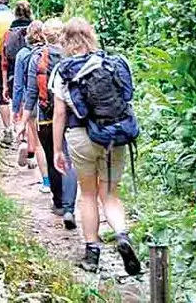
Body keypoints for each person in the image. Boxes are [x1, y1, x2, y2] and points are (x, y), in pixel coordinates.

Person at [51, 17, 142, 275]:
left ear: (66, 42)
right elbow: (126, 96)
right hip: (114, 134)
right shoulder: (112, 63)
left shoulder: (64, 70)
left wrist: (57, 149)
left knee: (88, 194)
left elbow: (59, 114)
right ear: (91, 37)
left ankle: (92, 253)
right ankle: (122, 236)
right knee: (111, 194)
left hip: (81, 137)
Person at [22, 18, 77, 229]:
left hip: (45, 116)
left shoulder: (37, 57)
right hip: (71, 117)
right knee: (69, 160)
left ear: (44, 35)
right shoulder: (71, 56)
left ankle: (58, 202)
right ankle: (69, 207)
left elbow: (31, 91)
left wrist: (24, 118)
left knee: (52, 155)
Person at [11, 20, 49, 180]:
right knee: (50, 141)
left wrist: (15, 108)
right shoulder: (50, 52)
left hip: (30, 99)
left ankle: (45, 180)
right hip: (48, 101)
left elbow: (18, 84)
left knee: (35, 135)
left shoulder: (23, 54)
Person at [0, 1, 33, 147]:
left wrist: (5, 85)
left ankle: (21, 140)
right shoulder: (37, 31)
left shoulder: (8, 34)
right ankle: (30, 141)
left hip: (14, 76)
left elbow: (4, 62)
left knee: (19, 108)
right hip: (35, 75)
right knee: (32, 110)